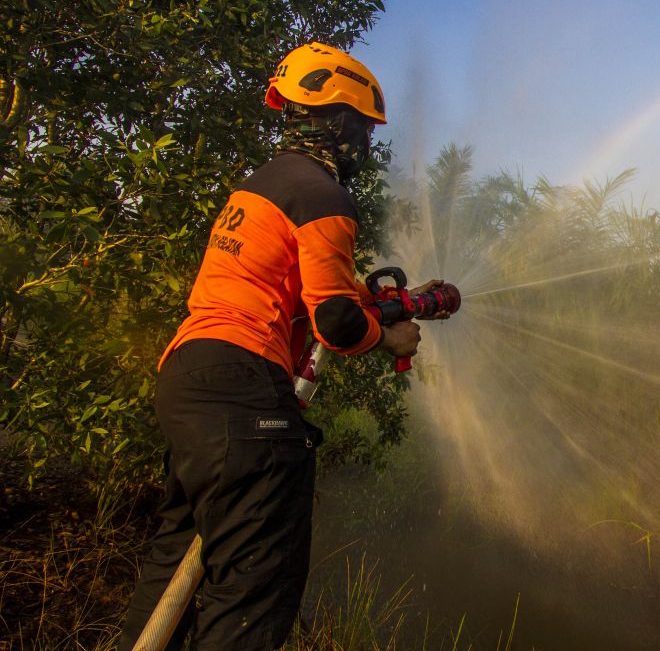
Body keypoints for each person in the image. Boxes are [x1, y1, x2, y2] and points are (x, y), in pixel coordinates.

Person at [119, 42, 433, 649]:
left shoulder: (261, 186)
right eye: (363, 130)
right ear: (339, 123)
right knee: (253, 593)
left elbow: (305, 296)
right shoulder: (322, 194)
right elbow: (337, 324)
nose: (365, 145)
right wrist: (388, 331)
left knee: (171, 574)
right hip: (244, 393)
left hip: (190, 379)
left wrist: (383, 303)